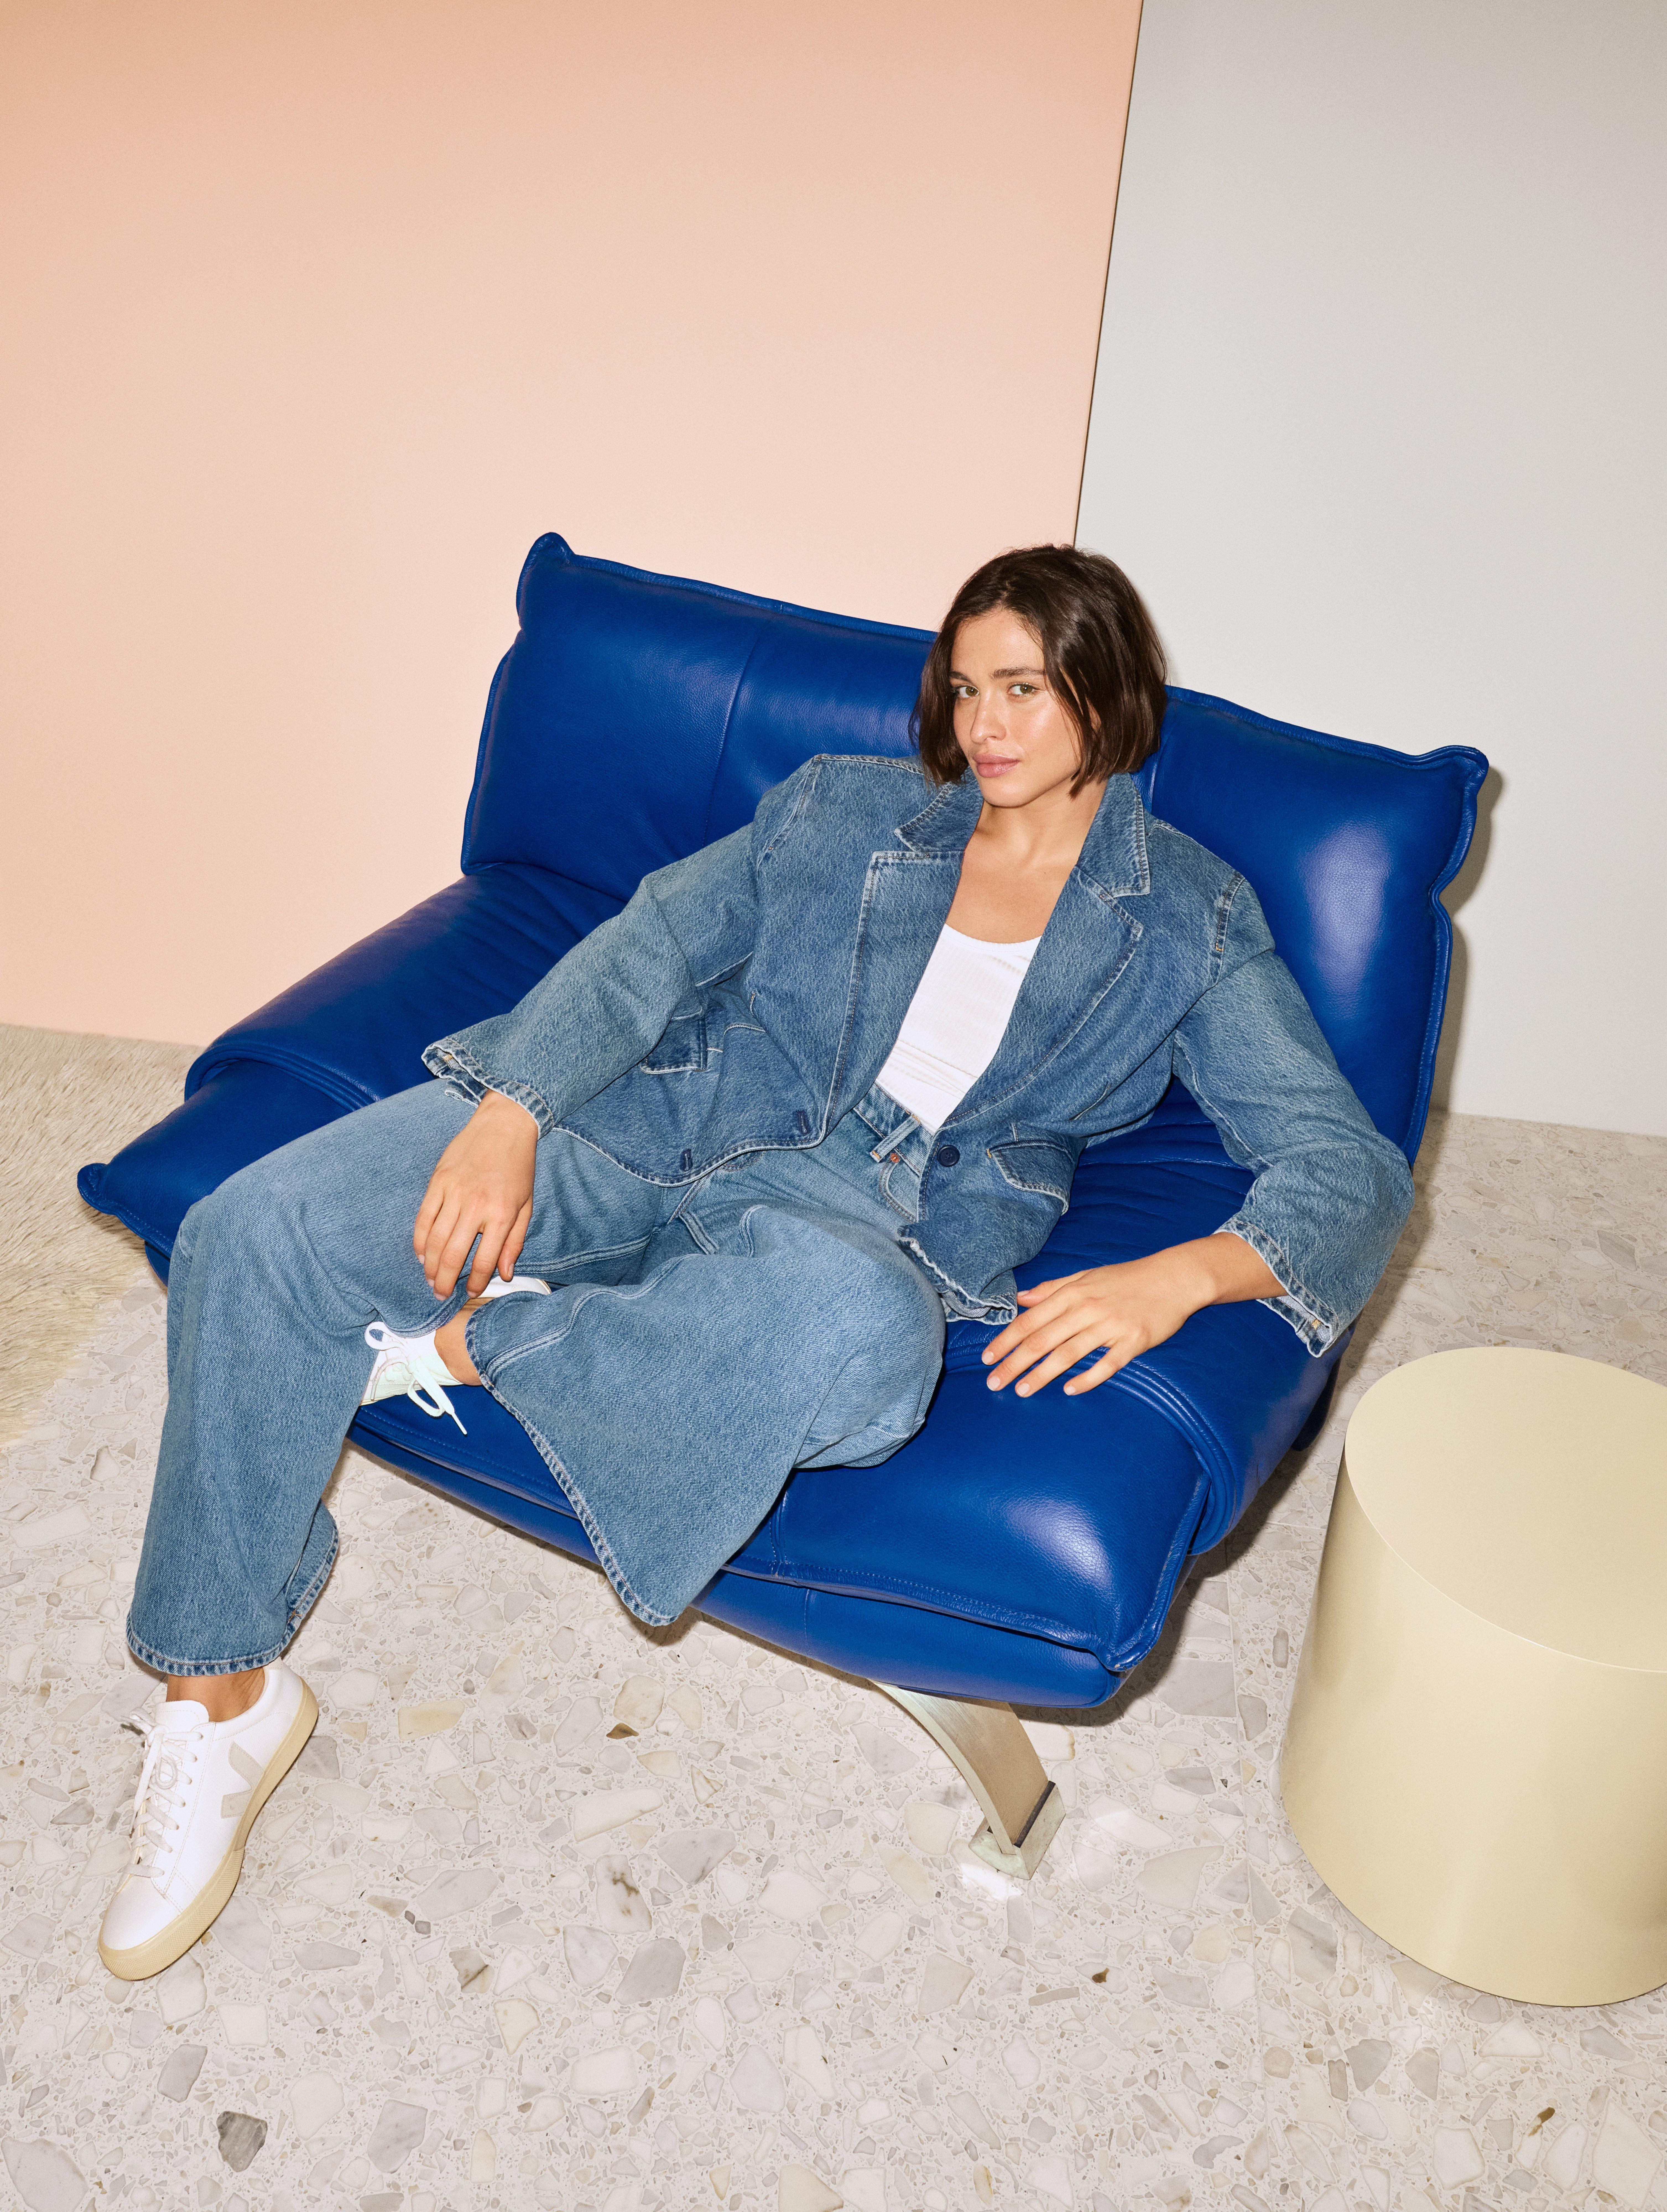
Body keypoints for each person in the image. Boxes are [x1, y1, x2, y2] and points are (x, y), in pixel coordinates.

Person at [98, 545, 1413, 1979]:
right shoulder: (844, 812)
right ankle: (220, 1699)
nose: (988, 726)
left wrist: (1187, 1276)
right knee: (255, 1226)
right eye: (969, 688)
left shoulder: (1189, 918)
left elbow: (1347, 1170)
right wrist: (514, 1110)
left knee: (862, 1346)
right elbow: (654, 943)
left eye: (1027, 689)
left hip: (874, 1233)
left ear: (1109, 688)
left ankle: (497, 1346)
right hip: (667, 1111)